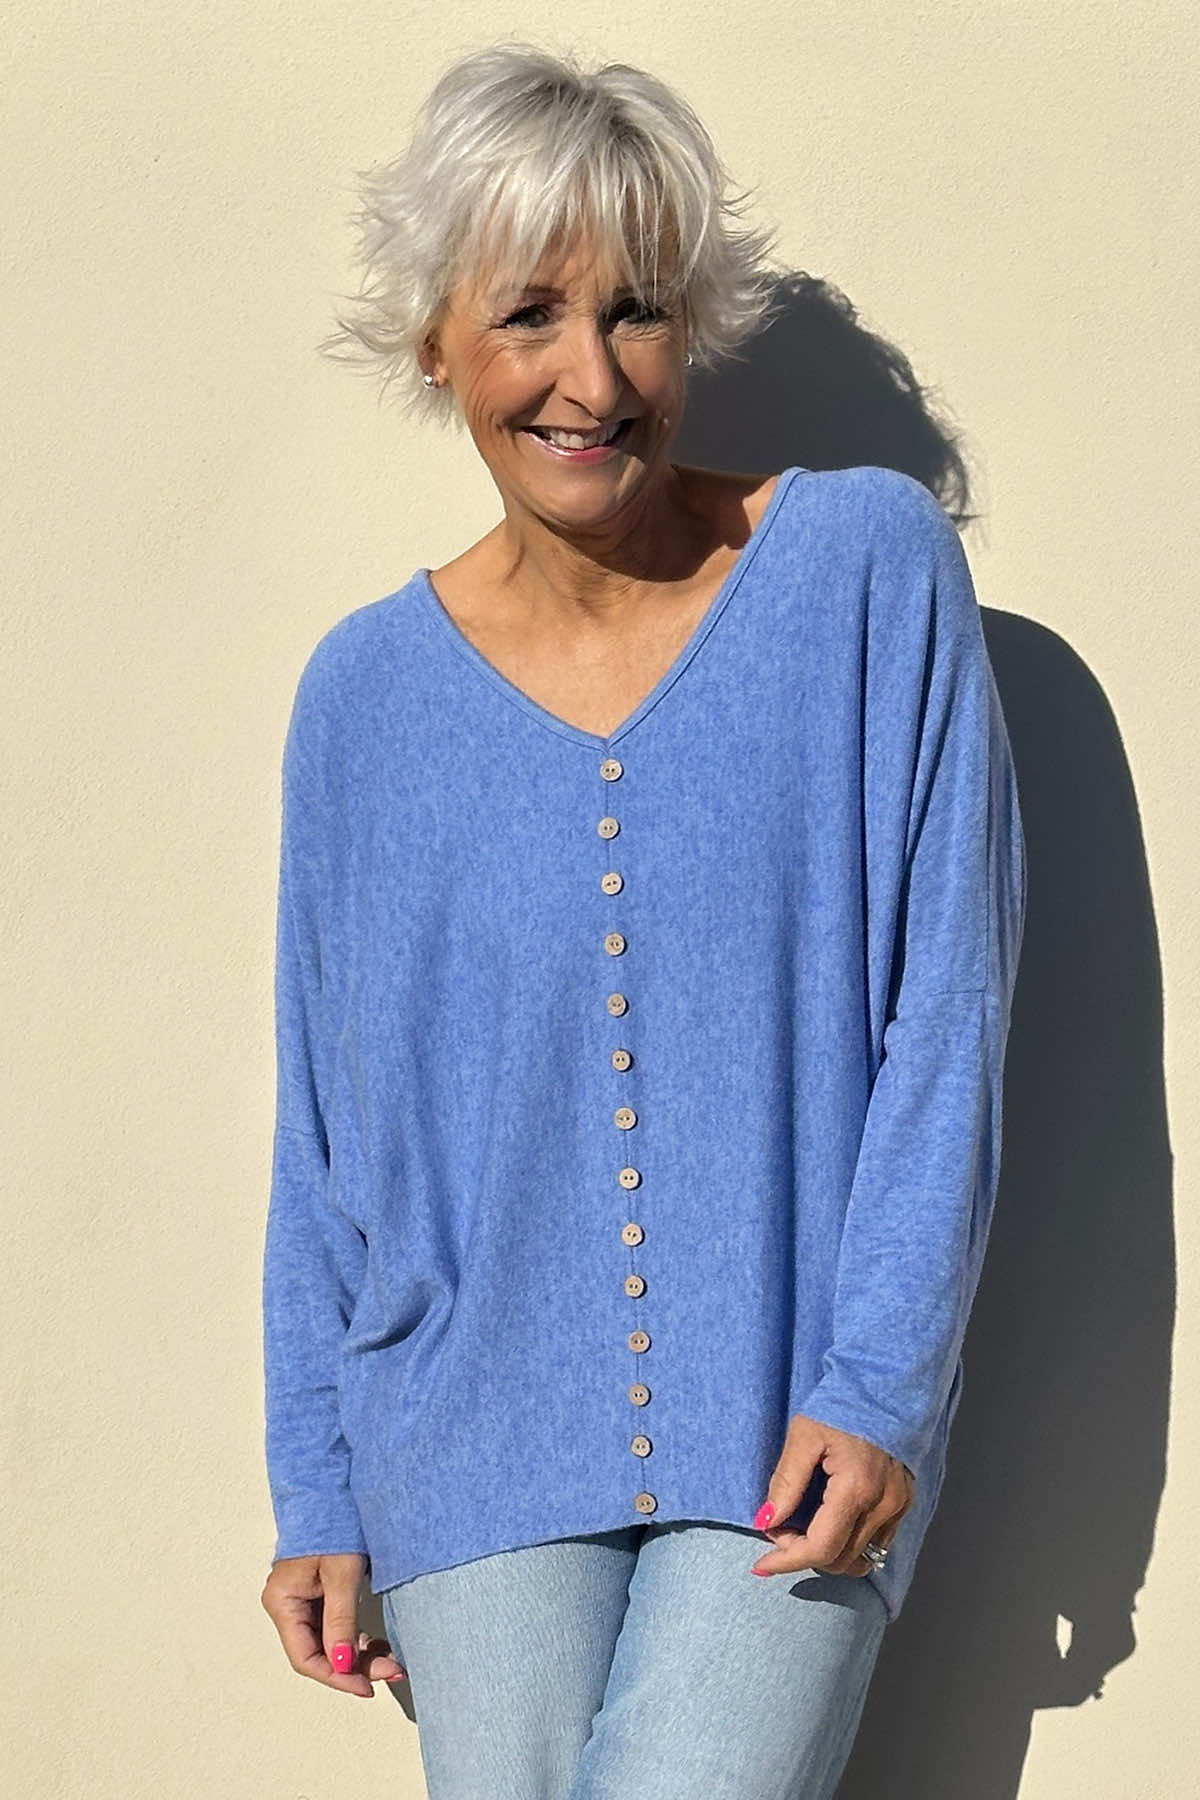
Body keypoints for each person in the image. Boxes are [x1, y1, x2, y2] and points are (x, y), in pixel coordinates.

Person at [259, 39, 1027, 1800]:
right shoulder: (361, 699)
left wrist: (883, 1382)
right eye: (528, 314)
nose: (591, 380)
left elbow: (947, 1017)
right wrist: (318, 1481)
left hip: (791, 1420)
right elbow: (326, 1130)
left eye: (639, 313)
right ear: (435, 341)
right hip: (462, 1443)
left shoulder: (864, 571)